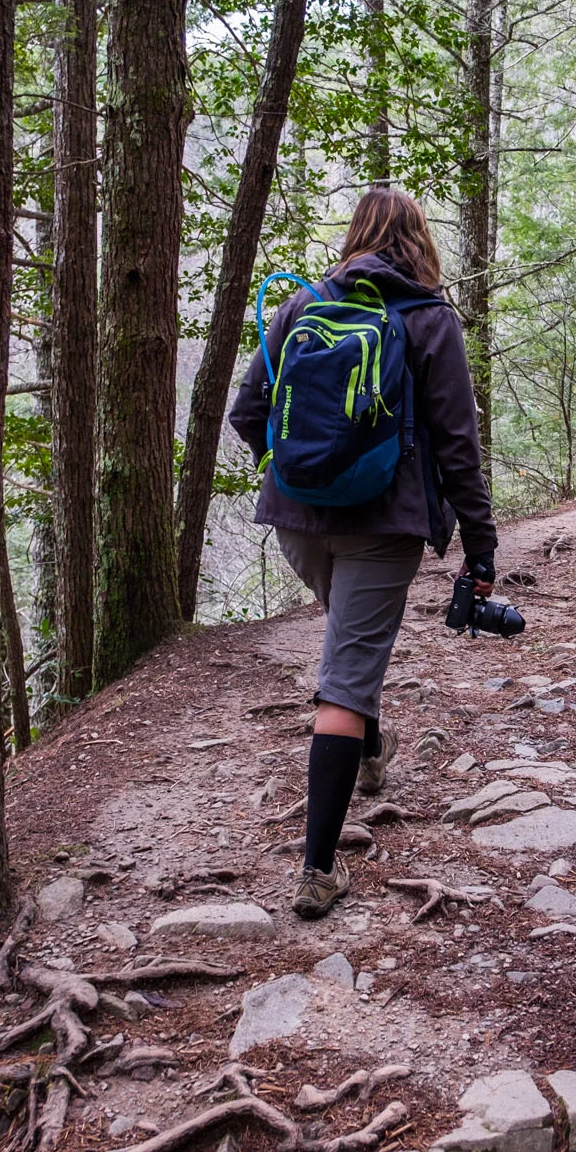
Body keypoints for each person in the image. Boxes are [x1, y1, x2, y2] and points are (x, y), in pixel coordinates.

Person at [228, 186, 498, 919]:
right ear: (418, 241)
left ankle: (371, 752)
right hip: (384, 522)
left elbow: (248, 411)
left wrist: (292, 470)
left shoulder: (300, 305)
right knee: (346, 676)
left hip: (297, 519)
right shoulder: (430, 319)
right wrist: (480, 542)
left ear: (356, 235)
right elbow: (457, 446)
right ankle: (317, 869)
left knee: (351, 649)